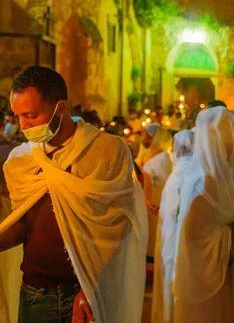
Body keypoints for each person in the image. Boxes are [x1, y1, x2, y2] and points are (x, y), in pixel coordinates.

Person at [0, 66, 147, 323]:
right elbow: (24, 224)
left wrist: (90, 288)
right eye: (17, 116)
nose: (23, 126)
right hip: (35, 294)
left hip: (89, 295)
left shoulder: (107, 152)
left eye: (31, 115)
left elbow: (118, 228)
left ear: (61, 107)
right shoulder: (20, 160)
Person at [172, 106, 234, 323]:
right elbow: (193, 234)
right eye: (232, 139)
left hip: (217, 268)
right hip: (203, 275)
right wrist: (233, 232)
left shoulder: (216, 175)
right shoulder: (204, 179)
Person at [152, 130, 194, 323]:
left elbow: (175, 210)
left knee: (173, 280)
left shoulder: (179, 173)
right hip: (180, 238)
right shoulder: (190, 172)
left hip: (174, 238)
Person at [136, 123, 173, 259]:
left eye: (147, 136)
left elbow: (164, 180)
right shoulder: (146, 153)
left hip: (155, 199)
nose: (143, 139)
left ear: (154, 138)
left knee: (154, 229)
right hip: (144, 198)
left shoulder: (163, 157)